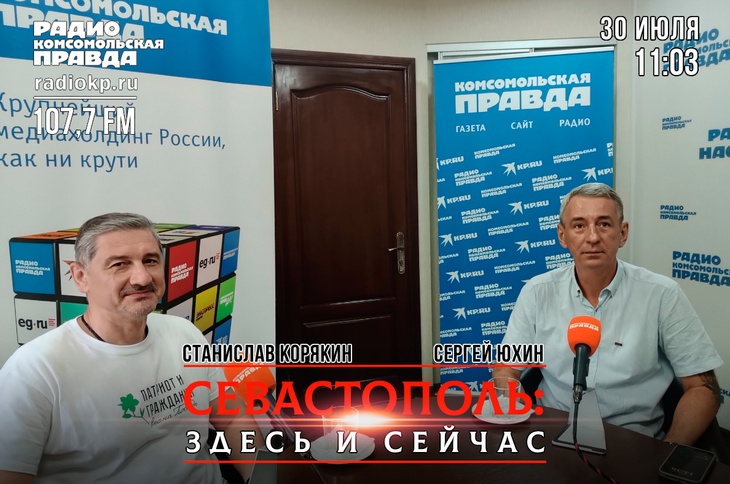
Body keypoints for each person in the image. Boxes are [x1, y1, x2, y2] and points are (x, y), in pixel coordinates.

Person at [0, 213, 261, 483]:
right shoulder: (33, 371)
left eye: (150, 261)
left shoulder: (185, 333)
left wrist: (247, 478)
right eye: (119, 264)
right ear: (80, 276)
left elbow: (233, 418)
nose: (142, 278)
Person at [493, 183, 723, 445]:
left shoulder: (662, 295)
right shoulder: (537, 292)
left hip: (634, 443)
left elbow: (703, 388)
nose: (592, 237)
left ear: (622, 233)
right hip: (552, 437)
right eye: (579, 225)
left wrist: (667, 455)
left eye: (603, 224)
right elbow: (505, 370)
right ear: (562, 236)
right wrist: (518, 425)